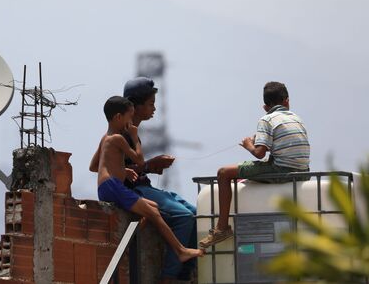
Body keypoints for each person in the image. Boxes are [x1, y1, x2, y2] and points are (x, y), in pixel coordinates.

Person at [90, 96, 204, 264]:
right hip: (112, 187)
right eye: (129, 118)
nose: (131, 123)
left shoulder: (105, 138)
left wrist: (122, 170)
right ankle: (181, 250)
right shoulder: (118, 138)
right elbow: (140, 160)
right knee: (152, 212)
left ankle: (131, 242)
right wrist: (134, 137)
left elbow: (94, 166)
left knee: (154, 207)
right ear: (118, 118)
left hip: (108, 185)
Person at [199, 81, 310, 248]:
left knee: (223, 172)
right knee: (249, 168)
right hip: (303, 170)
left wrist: (248, 144)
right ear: (287, 101)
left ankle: (222, 228)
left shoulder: (266, 119)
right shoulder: (296, 118)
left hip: (281, 170)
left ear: (265, 107)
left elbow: (259, 153)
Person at [122, 77, 199, 283]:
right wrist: (148, 165)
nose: (154, 108)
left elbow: (135, 166)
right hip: (133, 191)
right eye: (150, 104)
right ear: (134, 106)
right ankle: (169, 277)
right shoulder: (120, 134)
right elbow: (112, 170)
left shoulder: (133, 132)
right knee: (183, 217)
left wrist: (150, 167)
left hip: (143, 186)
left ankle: (186, 274)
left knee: (195, 213)